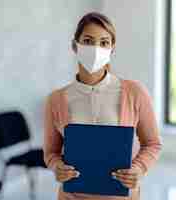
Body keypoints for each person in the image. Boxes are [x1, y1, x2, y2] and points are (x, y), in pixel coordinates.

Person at [43, 12, 163, 200]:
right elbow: (51, 153)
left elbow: (152, 144)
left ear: (112, 49)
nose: (96, 48)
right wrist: (56, 166)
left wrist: (139, 169)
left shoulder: (135, 92)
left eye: (104, 42)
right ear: (75, 45)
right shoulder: (56, 100)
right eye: (88, 41)